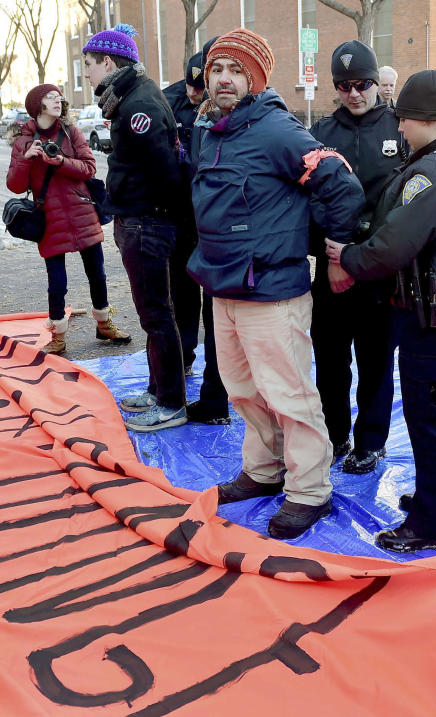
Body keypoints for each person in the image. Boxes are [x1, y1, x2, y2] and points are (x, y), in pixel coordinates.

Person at [187, 29, 365, 540]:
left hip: (273, 292)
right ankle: (265, 471)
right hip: (224, 286)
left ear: (255, 79)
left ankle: (309, 489)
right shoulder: (210, 131)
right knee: (242, 390)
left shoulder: (277, 131)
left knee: (289, 395)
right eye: (218, 68)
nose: (224, 78)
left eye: (236, 71)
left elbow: (341, 184)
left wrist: (335, 251)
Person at [325, 69, 436, 552]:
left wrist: (348, 257)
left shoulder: (431, 174)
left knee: (431, 415)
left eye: (405, 120)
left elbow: (392, 246)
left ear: (425, 120)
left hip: (432, 313)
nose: (398, 129)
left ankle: (431, 524)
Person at [83, 24, 188, 432]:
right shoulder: (130, 96)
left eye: (89, 65)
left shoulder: (138, 105)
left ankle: (171, 403)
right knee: (153, 314)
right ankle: (158, 387)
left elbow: (164, 171)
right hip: (140, 218)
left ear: (108, 62)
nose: (88, 74)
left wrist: (150, 212)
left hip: (147, 221)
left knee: (157, 315)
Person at [308, 40, 406, 474]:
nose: (354, 93)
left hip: (380, 268)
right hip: (332, 267)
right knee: (330, 358)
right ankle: (334, 434)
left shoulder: (402, 129)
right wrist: (328, 250)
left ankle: (370, 440)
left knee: (375, 359)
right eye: (344, 85)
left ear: (376, 83)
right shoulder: (321, 134)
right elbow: (306, 197)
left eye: (363, 83)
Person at [6, 84, 130, 355]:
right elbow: (15, 186)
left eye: (59, 97)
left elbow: (89, 167)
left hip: (82, 211)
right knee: (57, 281)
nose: (58, 100)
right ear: (38, 105)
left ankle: (104, 324)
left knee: (97, 274)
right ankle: (58, 336)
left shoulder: (70, 132)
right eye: (51, 97)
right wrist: (27, 159)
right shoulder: (24, 141)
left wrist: (60, 161)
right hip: (49, 218)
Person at [163, 40, 231, 426]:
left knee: (216, 310)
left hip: (216, 226)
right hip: (182, 220)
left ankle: (216, 392)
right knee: (182, 298)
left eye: (197, 87)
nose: (193, 93)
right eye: (190, 86)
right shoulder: (170, 100)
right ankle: (185, 359)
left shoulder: (231, 109)